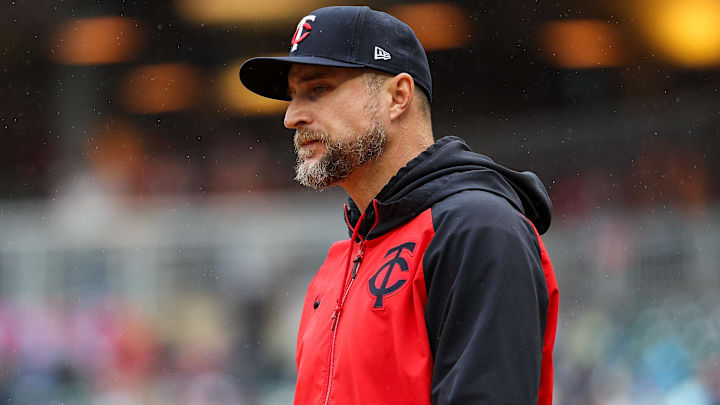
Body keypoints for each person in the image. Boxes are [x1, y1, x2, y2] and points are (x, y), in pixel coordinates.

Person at [239, 6, 559, 405]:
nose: (291, 117)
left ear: (397, 96)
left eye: (317, 89)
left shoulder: (478, 228)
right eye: (293, 96)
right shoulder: (339, 263)